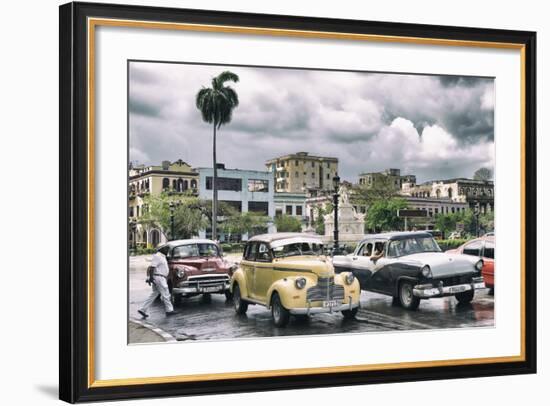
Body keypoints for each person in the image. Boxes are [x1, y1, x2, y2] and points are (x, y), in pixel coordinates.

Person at [138, 246, 176, 318]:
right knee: (166, 294)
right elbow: (152, 267)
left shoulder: (162, 256)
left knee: (154, 294)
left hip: (160, 278)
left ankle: (142, 309)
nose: (167, 251)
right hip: (159, 278)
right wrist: (151, 278)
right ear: (161, 249)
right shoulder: (158, 256)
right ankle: (169, 310)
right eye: (166, 249)